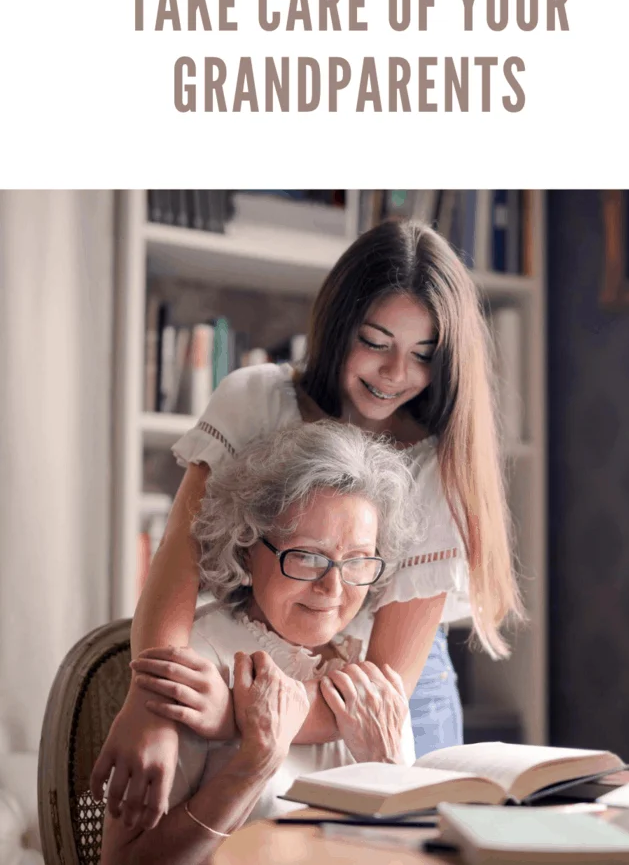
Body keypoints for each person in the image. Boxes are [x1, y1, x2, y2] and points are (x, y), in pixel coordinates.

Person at [92, 217, 524, 829]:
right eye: (375, 341)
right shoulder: (255, 400)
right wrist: (151, 704)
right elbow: (176, 574)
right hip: (259, 656)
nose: (395, 373)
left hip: (388, 690)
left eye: (423, 355)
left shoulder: (436, 463)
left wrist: (232, 715)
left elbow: (390, 679)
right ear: (338, 325)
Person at [101, 421, 416, 864]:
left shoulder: (369, 678)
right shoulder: (193, 663)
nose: (334, 588)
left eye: (359, 560)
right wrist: (253, 766)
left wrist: (386, 767)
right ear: (247, 545)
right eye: (308, 556)